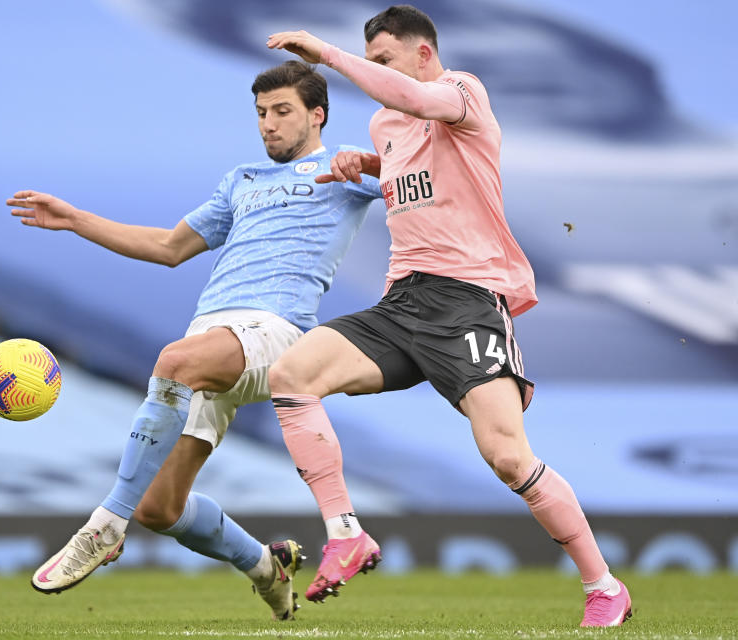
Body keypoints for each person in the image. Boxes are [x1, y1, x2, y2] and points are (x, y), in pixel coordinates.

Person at [265, 5, 633, 628]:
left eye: (384, 59)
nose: (378, 74)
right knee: (290, 377)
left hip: (468, 301)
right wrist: (372, 165)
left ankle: (603, 586)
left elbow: (415, 100)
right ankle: (347, 532)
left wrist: (325, 53)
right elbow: (423, 169)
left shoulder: (461, 89)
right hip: (402, 302)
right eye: (371, 61)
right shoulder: (386, 124)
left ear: (423, 54)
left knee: (509, 459)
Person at [6, 60, 381, 621]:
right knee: (159, 507)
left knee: (174, 362)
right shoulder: (242, 181)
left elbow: (426, 171)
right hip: (214, 338)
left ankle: (105, 525)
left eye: (282, 112)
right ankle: (264, 566)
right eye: (260, 113)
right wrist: (75, 219)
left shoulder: (344, 169)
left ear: (317, 115)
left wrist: (375, 161)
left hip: (277, 333)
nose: (268, 125)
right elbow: (168, 247)